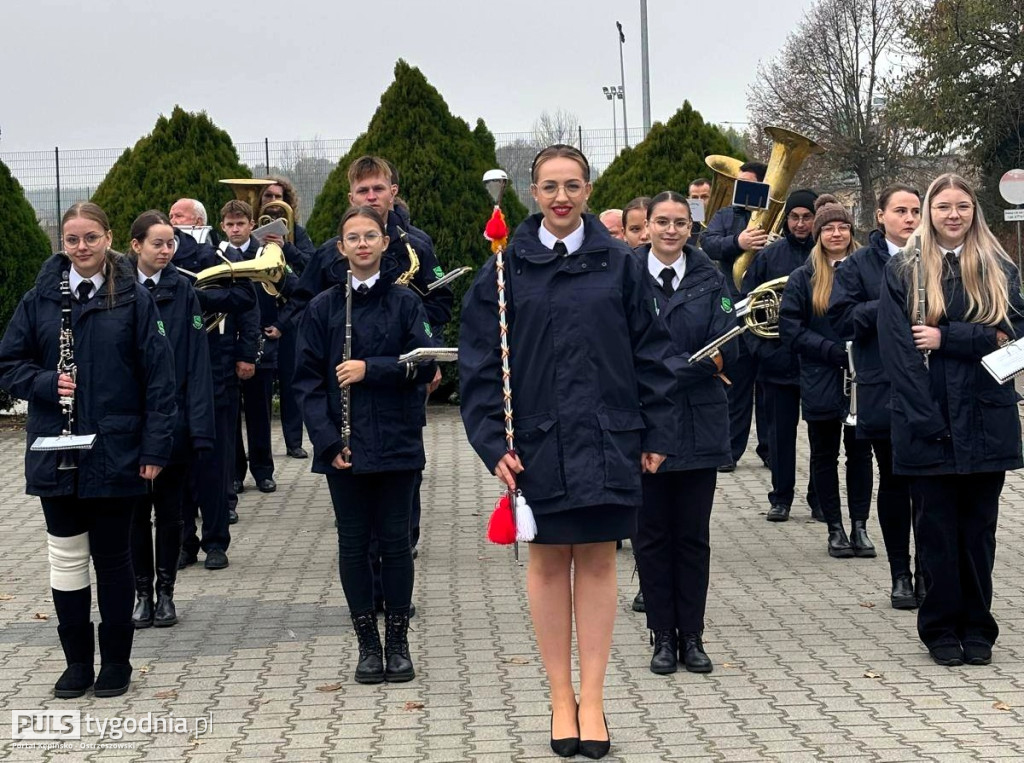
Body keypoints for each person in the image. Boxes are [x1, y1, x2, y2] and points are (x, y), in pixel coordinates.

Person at [460, 144, 677, 759]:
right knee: (551, 563)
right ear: (533, 193)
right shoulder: (505, 269)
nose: (561, 197)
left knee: (601, 561)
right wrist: (490, 443)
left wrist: (657, 431)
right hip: (538, 444)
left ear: (588, 189)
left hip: (611, 439)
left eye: (573, 185)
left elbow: (653, 351)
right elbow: (479, 366)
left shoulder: (620, 262)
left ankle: (595, 700)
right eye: (550, 186)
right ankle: (560, 697)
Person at [0, 202, 176, 698]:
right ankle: (77, 662)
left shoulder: (134, 299)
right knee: (67, 559)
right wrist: (43, 382)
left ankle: (116, 662)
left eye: (91, 238)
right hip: (55, 448)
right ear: (63, 242)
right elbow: (7, 363)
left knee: (113, 559)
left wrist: (155, 447)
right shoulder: (39, 299)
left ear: (109, 238)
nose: (81, 248)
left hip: (116, 448)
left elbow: (160, 381)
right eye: (72, 239)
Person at [878, 173, 1024, 667]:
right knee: (936, 531)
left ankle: (978, 627)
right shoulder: (903, 272)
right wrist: (926, 418)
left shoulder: (1001, 268)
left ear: (974, 212)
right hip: (928, 422)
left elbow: (1014, 338)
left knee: (979, 532)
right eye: (943, 207)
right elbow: (899, 353)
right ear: (928, 212)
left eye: (962, 206)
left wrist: (948, 339)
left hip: (987, 420)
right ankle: (940, 627)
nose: (953, 214)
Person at [293, 205, 436, 684]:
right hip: (345, 448)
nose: (361, 244)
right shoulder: (324, 307)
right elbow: (307, 382)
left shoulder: (405, 303)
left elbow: (424, 363)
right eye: (352, 237)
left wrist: (370, 369)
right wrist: (328, 441)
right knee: (353, 545)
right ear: (341, 248)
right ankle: (367, 647)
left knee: (395, 544)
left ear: (384, 243)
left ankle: (398, 642)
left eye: (370, 236)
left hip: (396, 442)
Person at [633, 191, 736, 676]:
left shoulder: (711, 277)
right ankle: (661, 636)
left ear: (691, 229)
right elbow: (618, 350)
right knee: (651, 537)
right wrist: (694, 365)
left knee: (692, 537)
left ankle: (691, 635)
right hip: (645, 426)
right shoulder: (625, 276)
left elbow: (727, 348)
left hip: (699, 424)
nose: (671, 230)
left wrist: (660, 368)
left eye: (680, 223)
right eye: (662, 222)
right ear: (646, 225)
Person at [828, 184, 924, 608]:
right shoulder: (859, 264)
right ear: (880, 215)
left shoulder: (935, 258)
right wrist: (888, 302)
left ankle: (929, 573)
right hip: (882, 385)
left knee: (930, 487)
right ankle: (900, 573)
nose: (909, 218)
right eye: (900, 210)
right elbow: (842, 318)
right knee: (895, 478)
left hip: (932, 386)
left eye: (916, 210)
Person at [127, 211, 215, 627]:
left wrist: (200, 429)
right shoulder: (120, 289)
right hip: (130, 422)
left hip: (173, 419)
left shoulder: (184, 290)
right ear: (136, 245)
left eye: (170, 244)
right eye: (157, 243)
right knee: (134, 512)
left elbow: (197, 363)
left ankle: (165, 593)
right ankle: (140, 591)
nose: (165, 251)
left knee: (170, 510)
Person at [780, 196, 874, 557]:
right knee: (824, 454)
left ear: (852, 231)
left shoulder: (866, 269)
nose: (836, 233)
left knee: (860, 455)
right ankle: (835, 528)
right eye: (829, 228)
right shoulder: (804, 277)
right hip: (821, 374)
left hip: (862, 378)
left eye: (843, 227)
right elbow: (791, 328)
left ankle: (861, 526)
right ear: (819, 235)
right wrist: (830, 350)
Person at [173, 204, 259, 571]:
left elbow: (245, 300)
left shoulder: (214, 257)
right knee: (177, 469)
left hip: (216, 369)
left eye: (180, 218)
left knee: (215, 462)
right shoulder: (145, 274)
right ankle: (183, 542)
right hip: (173, 380)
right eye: (170, 218)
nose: (175, 226)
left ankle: (216, 541)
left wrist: (196, 295)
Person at [742, 188, 825, 523]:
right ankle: (781, 497)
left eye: (807, 217)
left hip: (818, 361)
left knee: (822, 437)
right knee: (780, 435)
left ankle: (819, 498)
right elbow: (749, 309)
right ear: (786, 219)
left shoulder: (828, 254)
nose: (801, 223)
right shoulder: (768, 256)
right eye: (795, 217)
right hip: (777, 361)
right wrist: (763, 352)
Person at [702, 161, 771, 471]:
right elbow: (708, 243)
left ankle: (772, 451)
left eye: (747, 184)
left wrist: (772, 245)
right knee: (738, 387)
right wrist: (738, 242)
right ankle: (730, 451)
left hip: (768, 312)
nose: (739, 189)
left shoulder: (775, 215)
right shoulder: (726, 215)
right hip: (736, 308)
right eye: (738, 183)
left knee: (770, 389)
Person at [258, 176, 317, 459]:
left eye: (278, 196)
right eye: (267, 196)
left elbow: (312, 266)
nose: (273, 202)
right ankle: (261, 448)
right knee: (261, 389)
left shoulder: (297, 233)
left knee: (292, 380)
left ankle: (294, 442)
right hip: (260, 315)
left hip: (292, 317)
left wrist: (286, 247)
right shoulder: (248, 233)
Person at [687, 177, 712, 245]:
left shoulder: (721, 220)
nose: (700, 201)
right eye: (695, 197)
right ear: (689, 199)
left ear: (712, 197)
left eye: (704, 197)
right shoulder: (684, 223)